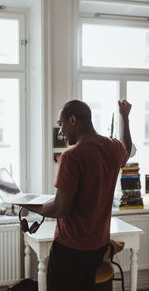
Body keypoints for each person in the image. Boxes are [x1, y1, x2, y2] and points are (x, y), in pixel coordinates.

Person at [19, 99, 132, 291]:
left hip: (70, 252)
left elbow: (61, 209)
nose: (60, 131)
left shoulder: (71, 157)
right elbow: (127, 149)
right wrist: (125, 118)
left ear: (72, 120)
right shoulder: (113, 148)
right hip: (99, 247)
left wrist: (27, 204)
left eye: (60, 124)